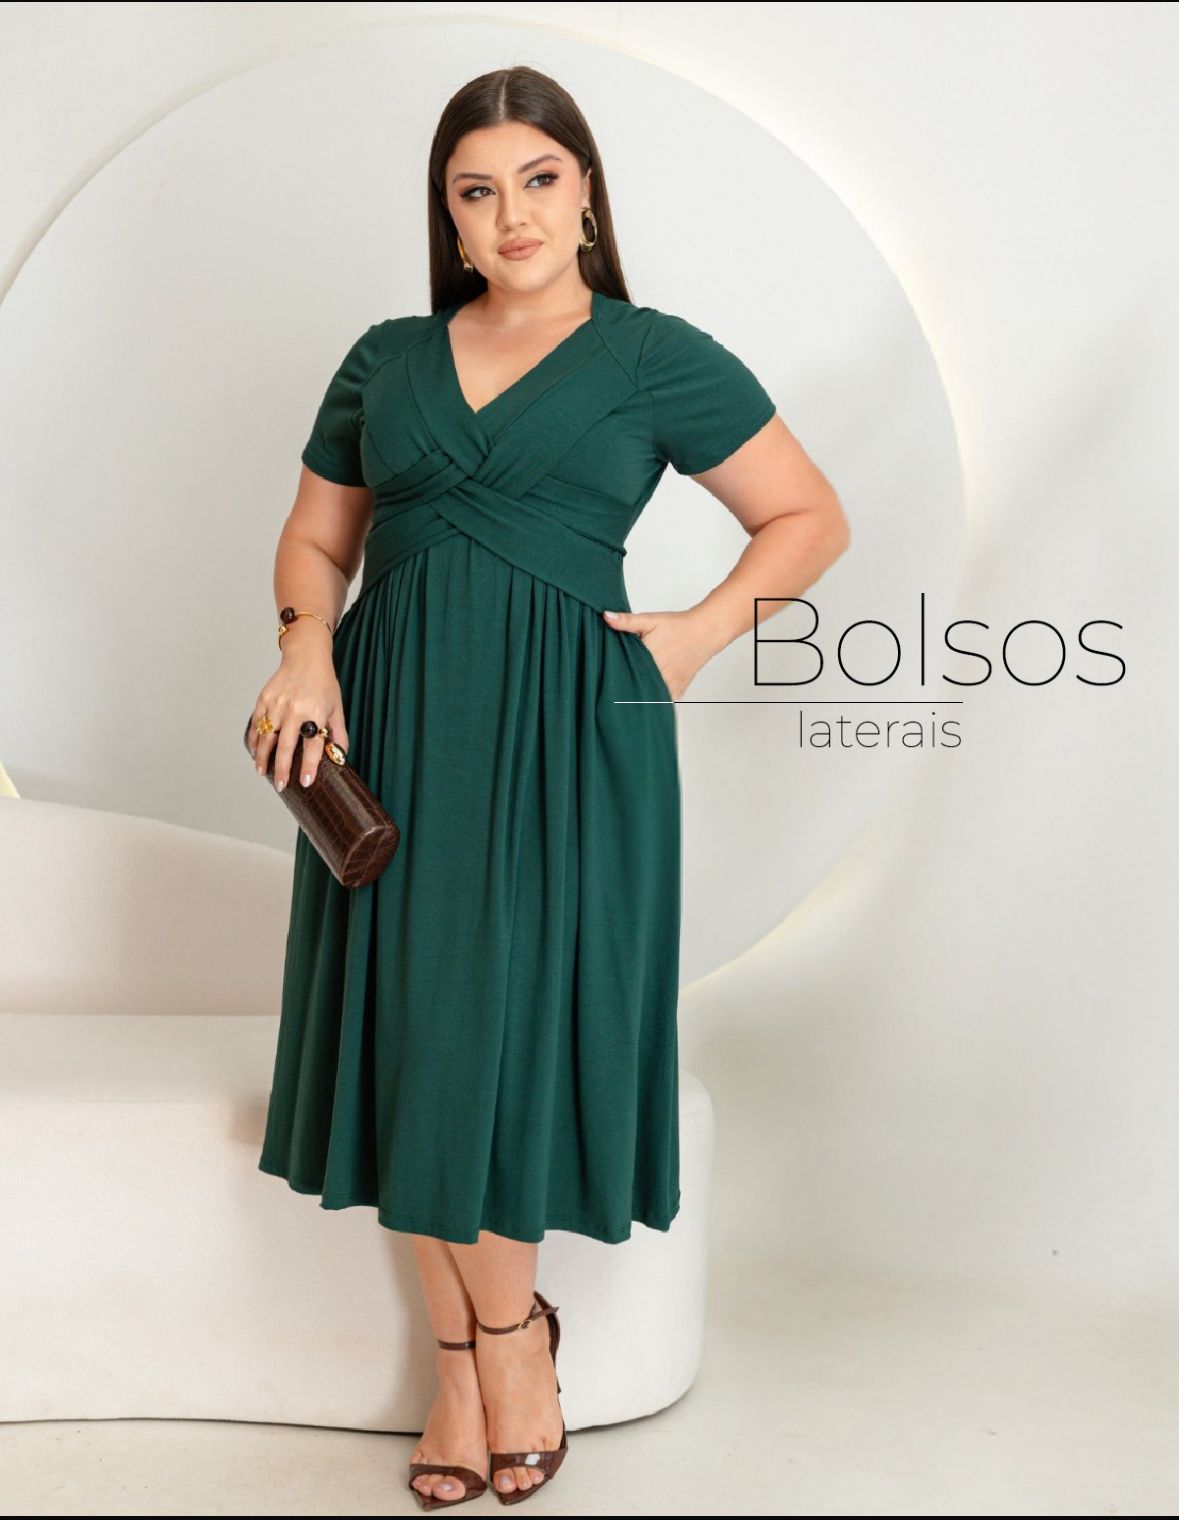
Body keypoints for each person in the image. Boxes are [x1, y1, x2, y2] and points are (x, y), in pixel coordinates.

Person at [247, 64, 848, 1509]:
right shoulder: (386, 359)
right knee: (414, 1034)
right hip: (390, 727)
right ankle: (468, 1361)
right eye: (476, 190)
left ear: (585, 194)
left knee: (494, 1035)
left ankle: (508, 1341)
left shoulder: (653, 356)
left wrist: (697, 634)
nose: (509, 212)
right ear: (448, 218)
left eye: (537, 178)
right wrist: (304, 651)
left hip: (568, 730)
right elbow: (315, 541)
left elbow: (809, 516)